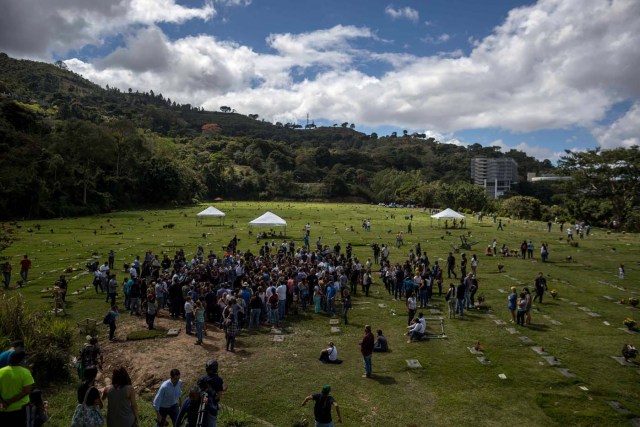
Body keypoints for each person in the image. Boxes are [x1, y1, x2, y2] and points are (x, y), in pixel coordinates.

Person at [0, 350, 35, 425]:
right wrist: (8, 402)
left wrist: (3, 402)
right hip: (21, 409)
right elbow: (26, 391)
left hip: (4, 409)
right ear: (22, 360)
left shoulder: (1, 371)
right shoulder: (25, 372)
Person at [196, 359, 225, 427]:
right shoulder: (219, 380)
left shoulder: (201, 378)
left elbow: (196, 390)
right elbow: (219, 395)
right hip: (211, 408)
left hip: (199, 405)